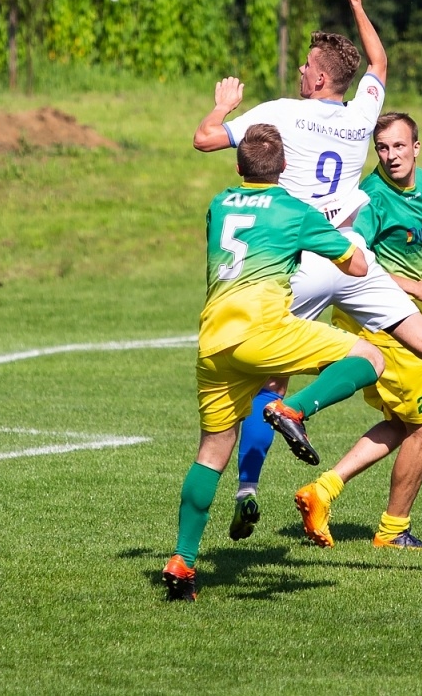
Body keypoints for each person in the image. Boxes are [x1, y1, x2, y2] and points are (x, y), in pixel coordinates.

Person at [192, 0, 422, 542]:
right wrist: (357, 1)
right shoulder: (360, 117)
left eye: (304, 64)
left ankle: (247, 487)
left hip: (300, 261)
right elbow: (380, 63)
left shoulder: (281, 114)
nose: (298, 70)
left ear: (319, 76)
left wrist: (223, 106)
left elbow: (203, 140)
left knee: (268, 384)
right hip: (354, 256)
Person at [162, 125, 383, 601]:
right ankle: (294, 408)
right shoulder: (294, 210)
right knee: (370, 356)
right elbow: (357, 267)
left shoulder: (219, 203)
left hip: (213, 340)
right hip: (263, 332)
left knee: (212, 451)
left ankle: (183, 561)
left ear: (239, 167)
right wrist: (346, 230)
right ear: (284, 168)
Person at [293, 112, 422, 551]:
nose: (390, 157)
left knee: (405, 421)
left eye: (398, 147)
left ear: (416, 148)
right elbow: (353, 260)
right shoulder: (371, 198)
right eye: (382, 148)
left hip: (389, 316)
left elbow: (411, 222)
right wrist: (413, 286)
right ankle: (391, 532)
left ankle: (322, 492)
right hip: (383, 317)